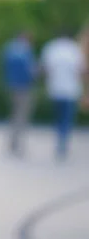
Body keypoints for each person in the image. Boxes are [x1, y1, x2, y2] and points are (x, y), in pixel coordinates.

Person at [41, 29, 86, 160]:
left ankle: (59, 140)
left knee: (58, 117)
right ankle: (63, 142)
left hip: (55, 89)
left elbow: (46, 69)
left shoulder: (51, 48)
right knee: (67, 118)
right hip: (71, 90)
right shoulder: (74, 49)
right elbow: (81, 70)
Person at [2, 32, 37, 157]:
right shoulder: (25, 51)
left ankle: (12, 141)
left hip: (11, 85)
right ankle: (19, 143)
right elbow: (31, 70)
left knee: (14, 113)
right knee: (22, 115)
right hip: (24, 87)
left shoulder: (9, 49)